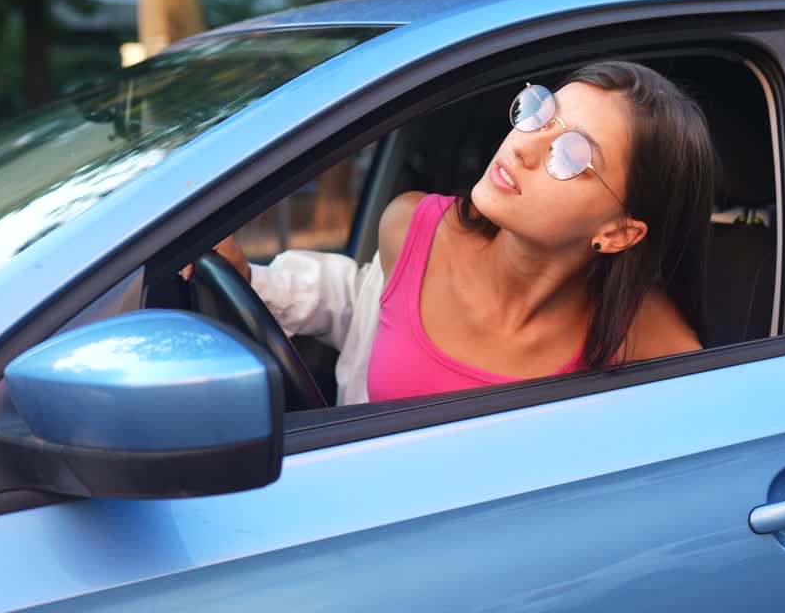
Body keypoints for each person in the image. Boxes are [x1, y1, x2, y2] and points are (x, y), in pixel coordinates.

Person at [197, 60, 716, 404]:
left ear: (618, 233)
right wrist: (248, 280)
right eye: (541, 112)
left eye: (573, 155)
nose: (524, 146)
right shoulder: (410, 226)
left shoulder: (642, 334)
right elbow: (369, 308)